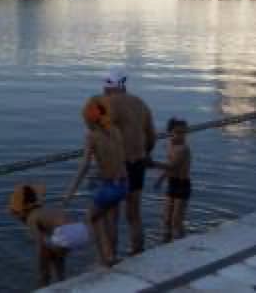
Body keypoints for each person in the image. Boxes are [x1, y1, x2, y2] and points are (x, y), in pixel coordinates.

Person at [63, 96, 127, 267]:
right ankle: (113, 256)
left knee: (92, 219)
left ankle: (103, 260)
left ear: (89, 118)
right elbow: (119, 159)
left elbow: (84, 166)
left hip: (107, 187)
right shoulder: (116, 131)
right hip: (122, 184)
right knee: (111, 221)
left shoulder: (91, 136)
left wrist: (70, 192)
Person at [103, 68, 156, 255]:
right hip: (138, 163)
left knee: (112, 214)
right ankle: (137, 252)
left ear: (109, 86)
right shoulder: (140, 103)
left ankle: (111, 257)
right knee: (134, 215)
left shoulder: (108, 104)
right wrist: (145, 152)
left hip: (117, 165)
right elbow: (151, 137)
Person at [9, 184, 89, 287]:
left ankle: (44, 284)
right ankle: (61, 280)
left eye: (17, 213)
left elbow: (40, 243)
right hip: (80, 230)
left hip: (65, 234)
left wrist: (41, 265)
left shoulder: (31, 218)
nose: (18, 218)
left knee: (45, 254)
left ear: (23, 210)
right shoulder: (44, 210)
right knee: (55, 254)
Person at [152, 118, 191, 242]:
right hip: (172, 183)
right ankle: (166, 243)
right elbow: (169, 166)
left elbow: (172, 166)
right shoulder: (169, 145)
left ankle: (183, 243)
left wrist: (152, 163)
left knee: (176, 221)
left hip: (182, 185)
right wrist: (160, 179)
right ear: (170, 132)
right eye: (177, 132)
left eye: (183, 133)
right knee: (167, 220)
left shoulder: (184, 149)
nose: (181, 136)